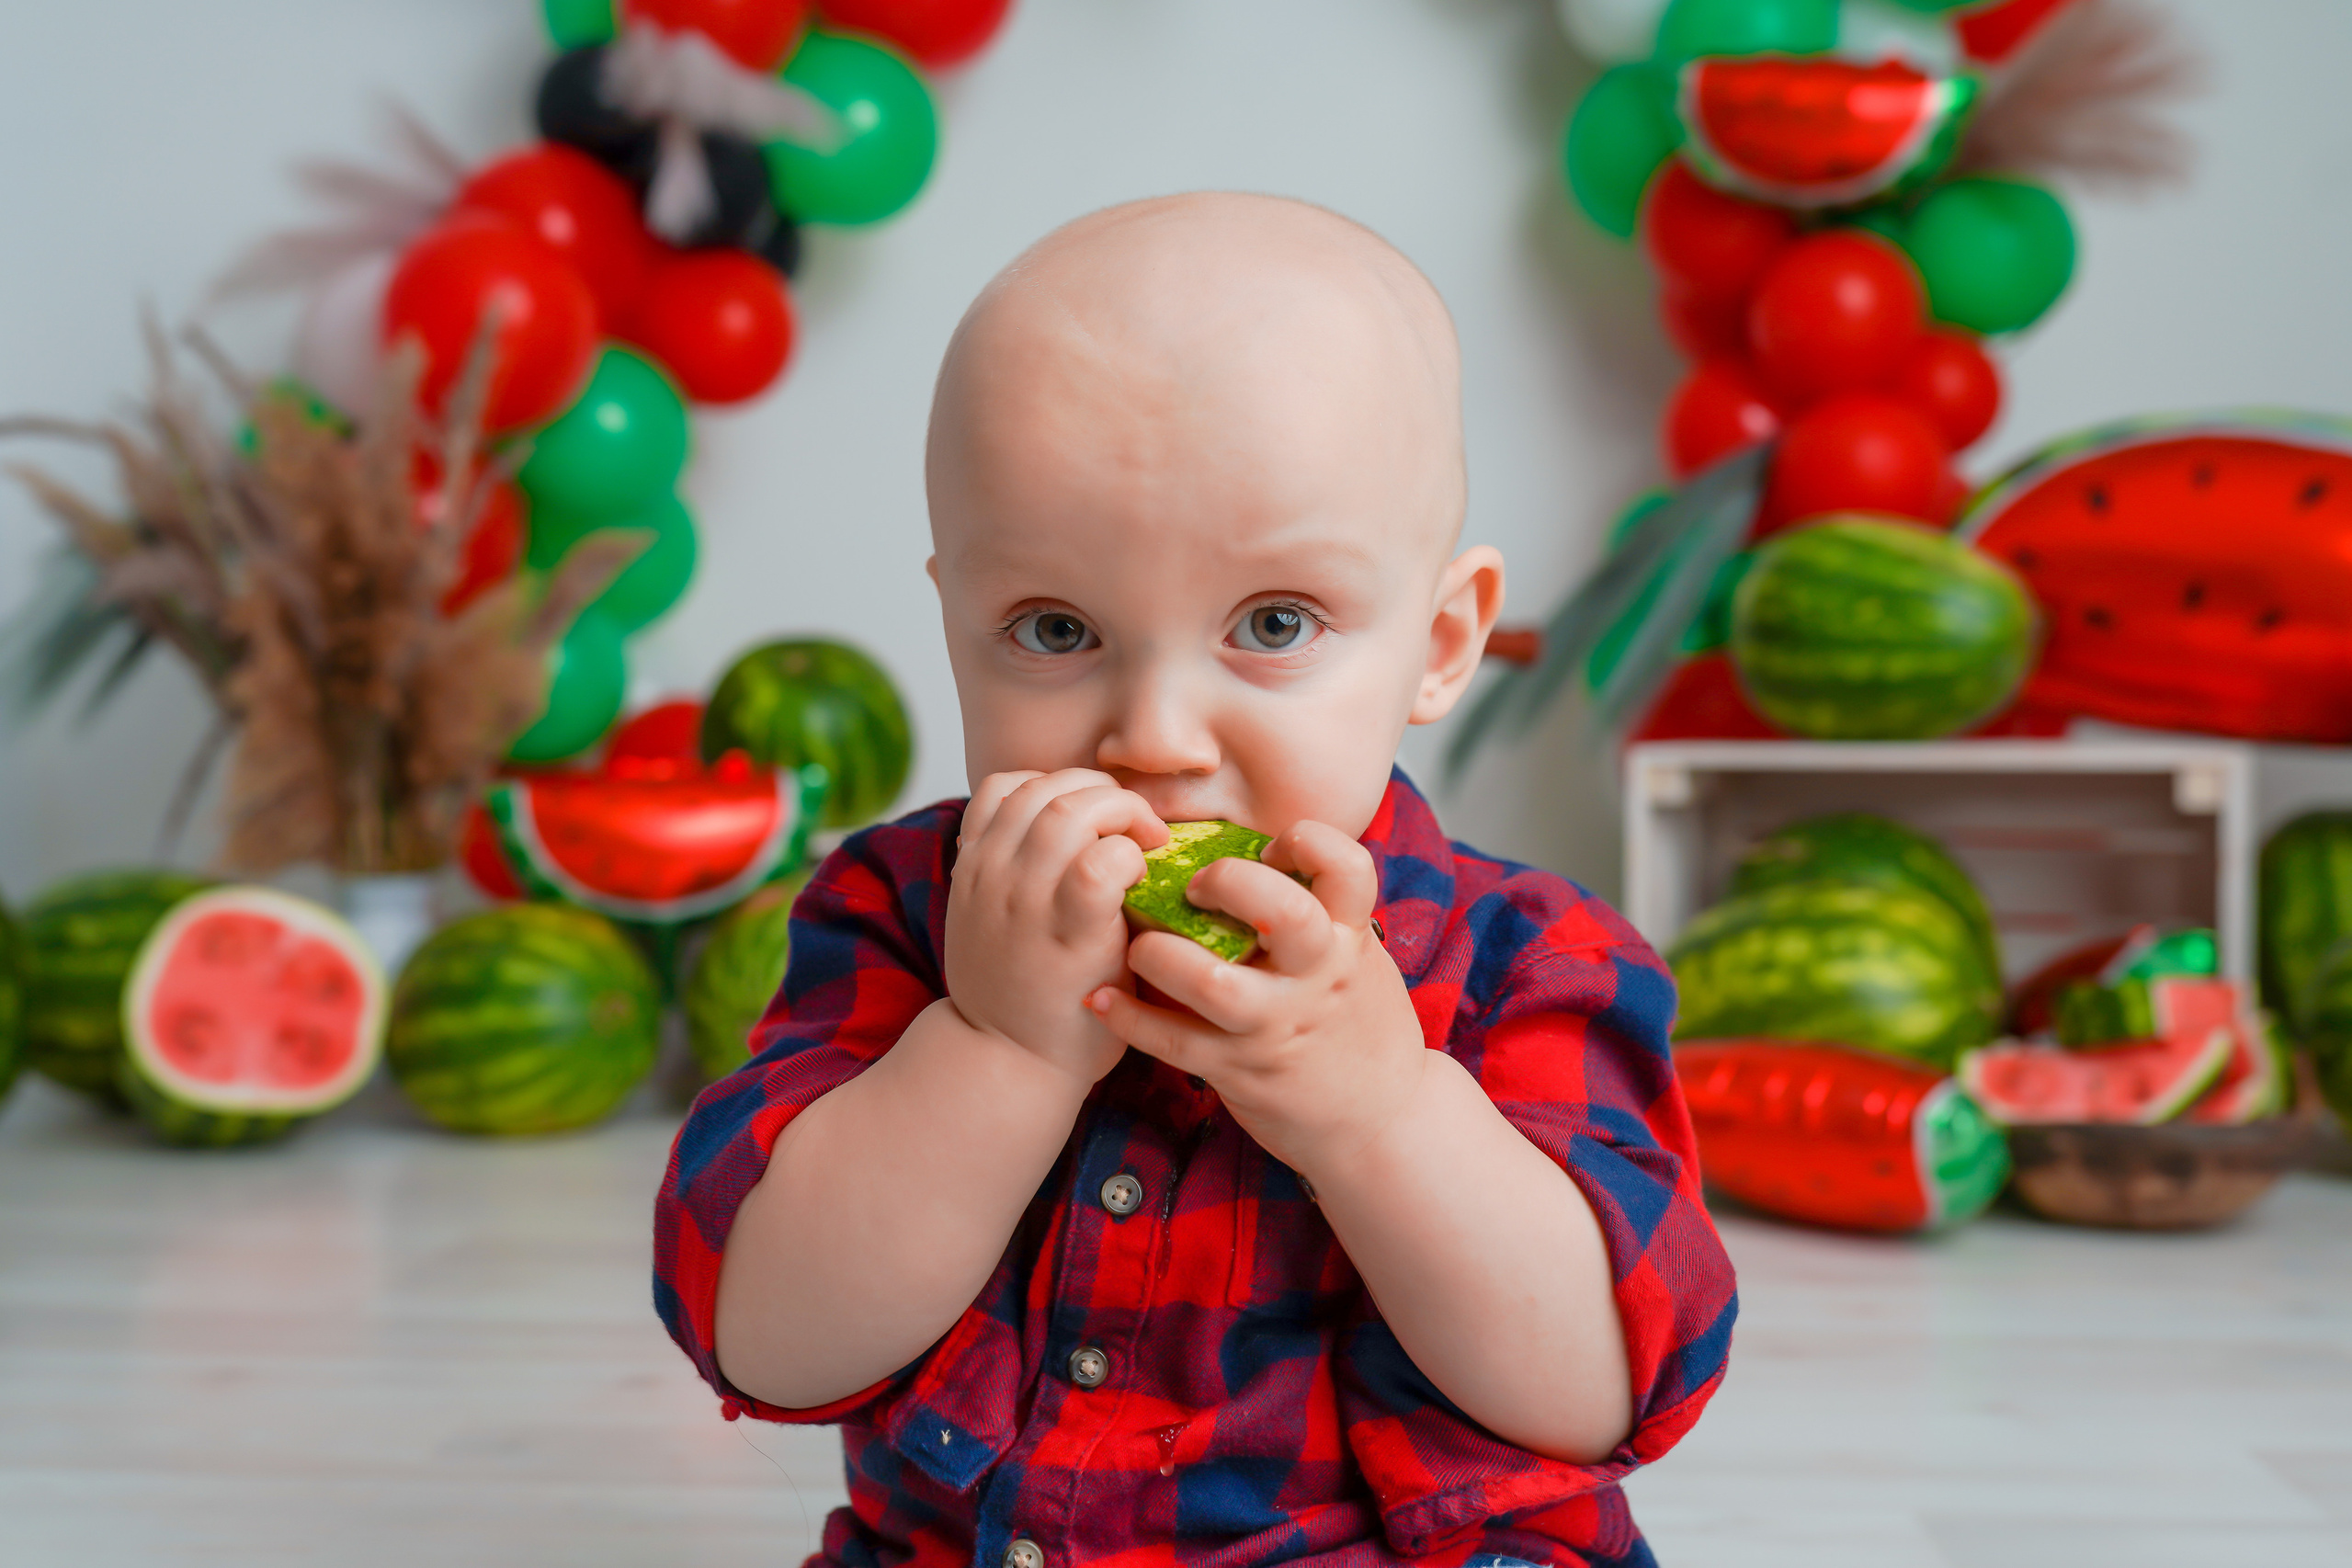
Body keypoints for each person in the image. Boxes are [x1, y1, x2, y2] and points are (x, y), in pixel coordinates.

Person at [654, 192, 1736, 1568]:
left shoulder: (1534, 959)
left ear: (1441, 638)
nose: (1154, 736)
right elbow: (767, 1340)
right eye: (1054, 628)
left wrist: (1378, 1111)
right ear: (952, 621)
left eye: (1273, 623)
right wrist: (991, 1049)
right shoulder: (903, 914)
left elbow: (1605, 1393)